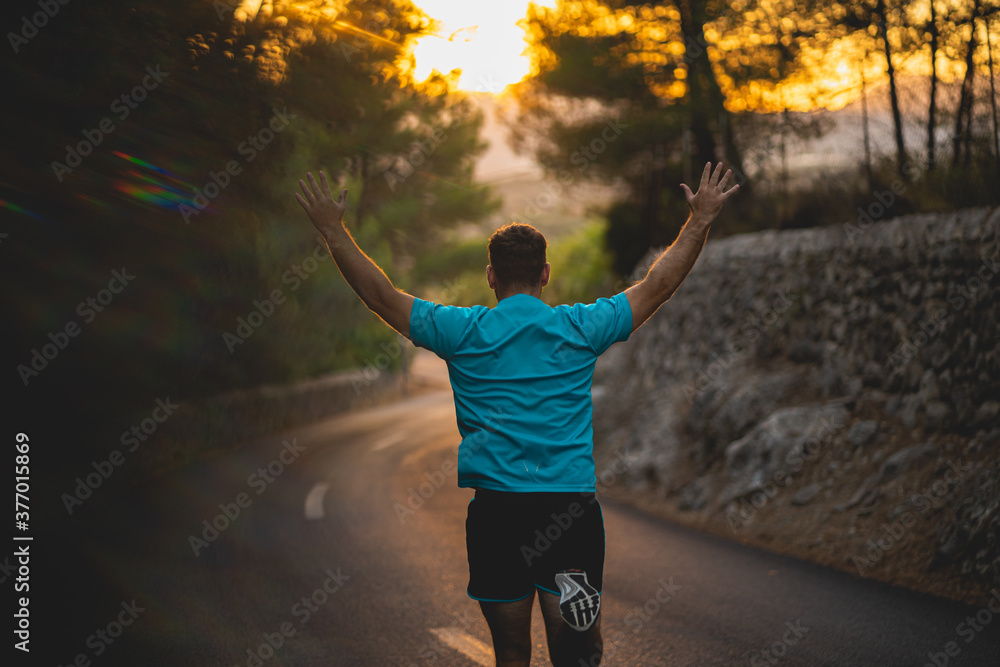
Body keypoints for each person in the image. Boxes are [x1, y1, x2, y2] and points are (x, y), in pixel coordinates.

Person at [295, 162, 739, 666]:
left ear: (491, 276)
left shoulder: (460, 332)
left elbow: (381, 296)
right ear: (545, 274)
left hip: (496, 517)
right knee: (576, 652)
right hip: (568, 515)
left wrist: (333, 229)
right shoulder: (580, 328)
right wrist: (700, 218)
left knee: (509, 653)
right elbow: (656, 285)